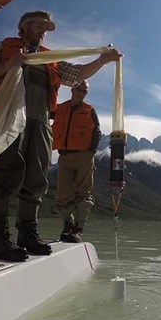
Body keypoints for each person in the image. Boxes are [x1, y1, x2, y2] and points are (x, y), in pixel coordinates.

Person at [0, 10, 121, 262]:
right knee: (3, 174)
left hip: (41, 123)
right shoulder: (5, 47)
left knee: (37, 177)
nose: (43, 32)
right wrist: (8, 65)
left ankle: (27, 234)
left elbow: (77, 74)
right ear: (24, 26)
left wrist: (102, 61)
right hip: (9, 118)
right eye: (40, 26)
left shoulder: (50, 58)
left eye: (46, 28)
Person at [51, 80, 100, 242]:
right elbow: (44, 115)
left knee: (83, 192)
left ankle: (79, 228)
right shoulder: (60, 109)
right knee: (63, 193)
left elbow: (97, 132)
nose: (81, 93)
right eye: (79, 89)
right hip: (64, 156)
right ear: (72, 89)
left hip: (84, 156)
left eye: (84, 91)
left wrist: (91, 152)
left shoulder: (89, 110)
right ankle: (68, 224)